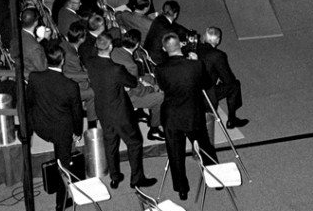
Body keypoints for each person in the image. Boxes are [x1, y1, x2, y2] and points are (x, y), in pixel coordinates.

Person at [84, 34, 157, 190]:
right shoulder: (117, 69)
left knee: (110, 143)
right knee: (134, 142)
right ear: (110, 47)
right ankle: (137, 178)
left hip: (102, 109)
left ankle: (115, 177)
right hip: (120, 111)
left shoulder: (90, 62)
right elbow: (131, 82)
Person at [155, 33, 217, 201]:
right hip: (193, 114)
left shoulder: (160, 69)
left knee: (175, 153)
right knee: (204, 145)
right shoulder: (195, 65)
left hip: (171, 116)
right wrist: (197, 61)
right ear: (180, 45)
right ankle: (215, 178)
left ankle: (182, 189)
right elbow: (206, 83)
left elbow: (163, 87)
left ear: (164, 49)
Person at [27, 42, 85, 211]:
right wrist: (77, 132)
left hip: (40, 126)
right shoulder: (71, 85)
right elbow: (77, 113)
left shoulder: (34, 77)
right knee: (63, 163)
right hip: (61, 130)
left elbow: (29, 102)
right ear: (62, 61)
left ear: (46, 60)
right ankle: (61, 202)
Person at [195, 26, 249, 128]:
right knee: (234, 85)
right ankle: (232, 119)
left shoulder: (195, 47)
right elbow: (228, 79)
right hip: (205, 94)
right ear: (218, 40)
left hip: (189, 89)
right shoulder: (218, 55)